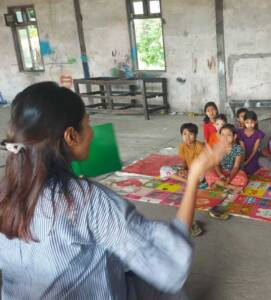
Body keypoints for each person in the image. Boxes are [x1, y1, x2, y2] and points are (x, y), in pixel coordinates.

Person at [0, 82, 227, 299]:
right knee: (165, 288)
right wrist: (195, 175)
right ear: (71, 136)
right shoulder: (88, 200)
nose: (92, 133)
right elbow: (167, 260)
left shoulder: (4, 193)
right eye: (87, 125)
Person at [205, 124, 248, 192]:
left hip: (233, 173)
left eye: (228, 135)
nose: (225, 137)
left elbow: (236, 167)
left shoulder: (238, 149)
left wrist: (230, 178)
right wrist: (220, 175)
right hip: (221, 172)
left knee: (243, 179)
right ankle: (231, 187)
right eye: (222, 135)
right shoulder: (217, 148)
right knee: (208, 173)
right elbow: (216, 164)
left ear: (234, 136)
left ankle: (219, 184)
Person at [238, 111, 265, 175]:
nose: (249, 125)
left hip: (253, 156)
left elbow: (254, 151)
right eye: (247, 122)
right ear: (244, 122)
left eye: (252, 122)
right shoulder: (240, 132)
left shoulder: (258, 133)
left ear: (256, 122)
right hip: (243, 155)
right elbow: (243, 149)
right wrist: (242, 161)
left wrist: (246, 162)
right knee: (241, 170)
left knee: (250, 171)